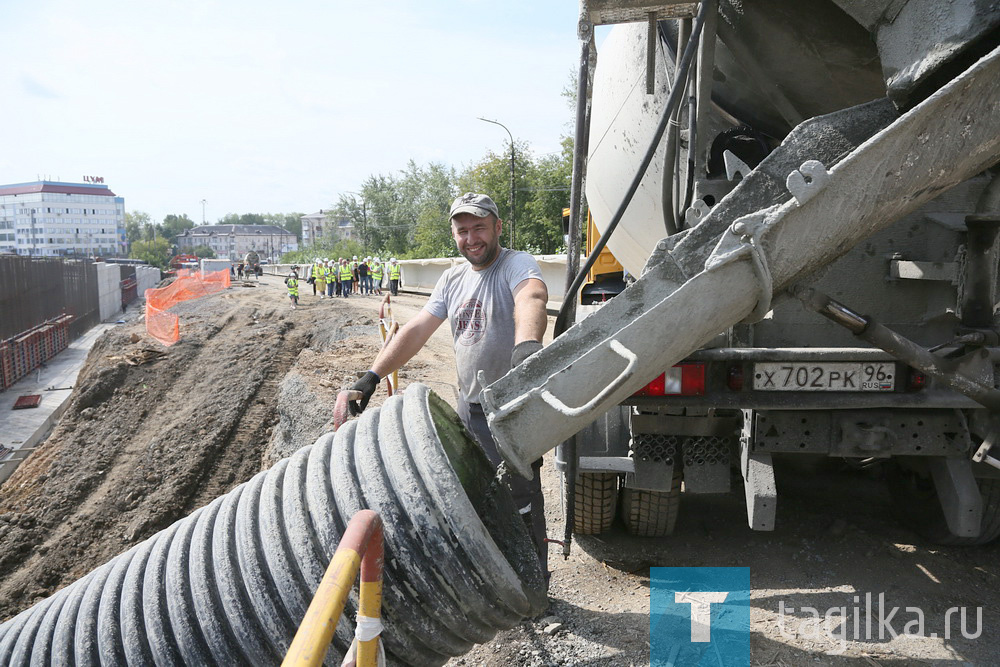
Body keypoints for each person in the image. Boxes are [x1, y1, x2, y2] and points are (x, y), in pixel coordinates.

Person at [348, 192, 549, 574]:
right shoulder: (453, 278)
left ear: (497, 227)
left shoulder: (515, 264)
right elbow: (416, 329)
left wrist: (526, 348)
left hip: (510, 407)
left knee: (520, 496)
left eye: (479, 228)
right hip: (470, 408)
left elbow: (532, 297)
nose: (471, 238)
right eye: (462, 231)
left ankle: (533, 583)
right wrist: (373, 375)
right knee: (476, 491)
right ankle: (494, 573)